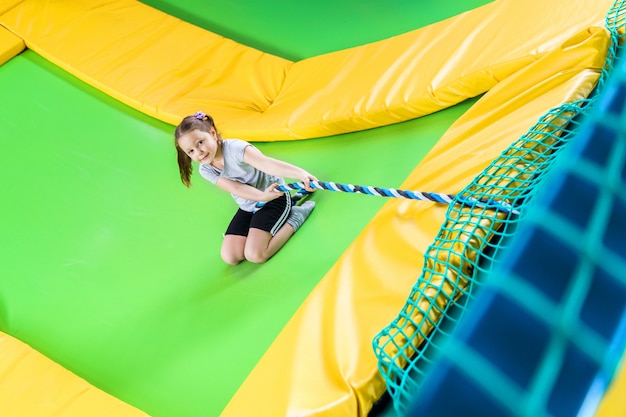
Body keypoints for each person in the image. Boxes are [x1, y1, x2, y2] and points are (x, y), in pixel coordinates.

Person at [174, 111, 317, 265]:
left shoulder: (236, 149)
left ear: (213, 133)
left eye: (200, 142)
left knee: (256, 255)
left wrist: (301, 174)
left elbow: (266, 164)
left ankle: (295, 216)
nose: (199, 152)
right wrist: (261, 197)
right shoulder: (206, 169)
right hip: (250, 204)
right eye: (191, 151)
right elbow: (236, 188)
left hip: (275, 198)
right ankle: (262, 228)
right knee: (231, 257)